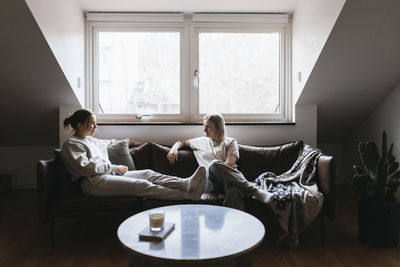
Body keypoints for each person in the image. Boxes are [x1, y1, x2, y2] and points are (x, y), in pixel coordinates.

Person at [61, 109, 205, 200]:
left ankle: (185, 183)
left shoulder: (92, 141)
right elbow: (85, 168)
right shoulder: (72, 144)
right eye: (92, 123)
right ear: (79, 126)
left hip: (107, 175)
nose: (96, 127)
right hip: (92, 183)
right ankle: (188, 195)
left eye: (96, 123)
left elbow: (111, 142)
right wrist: (112, 167)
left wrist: (135, 143)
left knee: (148, 173)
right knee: (142, 185)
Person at [167, 112, 271, 210]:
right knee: (214, 165)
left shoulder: (230, 142)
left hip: (229, 180)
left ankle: (235, 225)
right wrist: (174, 149)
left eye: (208, 126)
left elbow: (229, 165)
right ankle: (255, 191)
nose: (204, 130)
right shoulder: (200, 141)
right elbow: (182, 142)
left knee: (234, 189)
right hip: (209, 182)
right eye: (204, 126)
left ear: (217, 127)